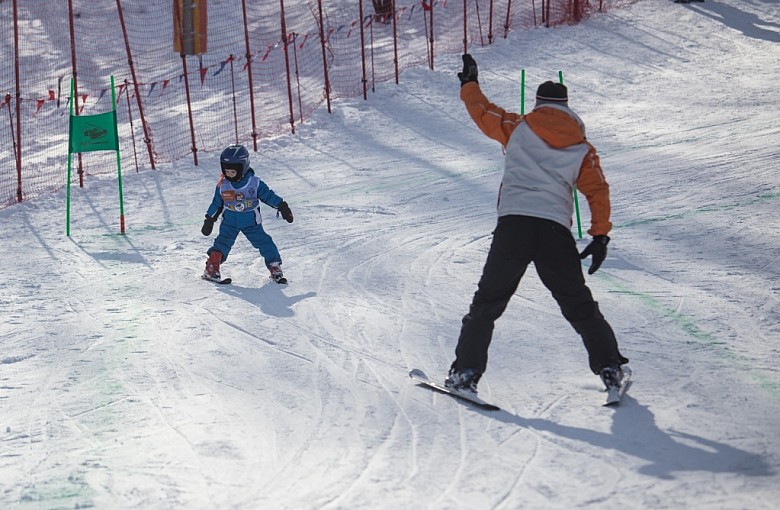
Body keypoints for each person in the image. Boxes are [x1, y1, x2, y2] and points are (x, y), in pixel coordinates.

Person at [445, 54, 629, 394]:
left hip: (514, 225)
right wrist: (600, 234)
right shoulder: (582, 148)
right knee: (578, 303)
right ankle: (610, 368)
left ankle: (465, 373)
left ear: (539, 104)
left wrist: (469, 83)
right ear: (567, 107)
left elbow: (481, 111)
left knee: (487, 304)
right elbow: (597, 190)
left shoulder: (517, 128)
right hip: (553, 231)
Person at [201, 144, 294, 284]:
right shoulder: (223, 185)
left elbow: (268, 196)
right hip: (229, 222)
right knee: (221, 244)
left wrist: (282, 206)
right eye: (226, 171)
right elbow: (216, 204)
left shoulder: (254, 183)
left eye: (233, 172)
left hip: (251, 222)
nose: (229, 175)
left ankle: (274, 266)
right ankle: (212, 268)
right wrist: (209, 219)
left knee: (265, 242)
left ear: (243, 168)